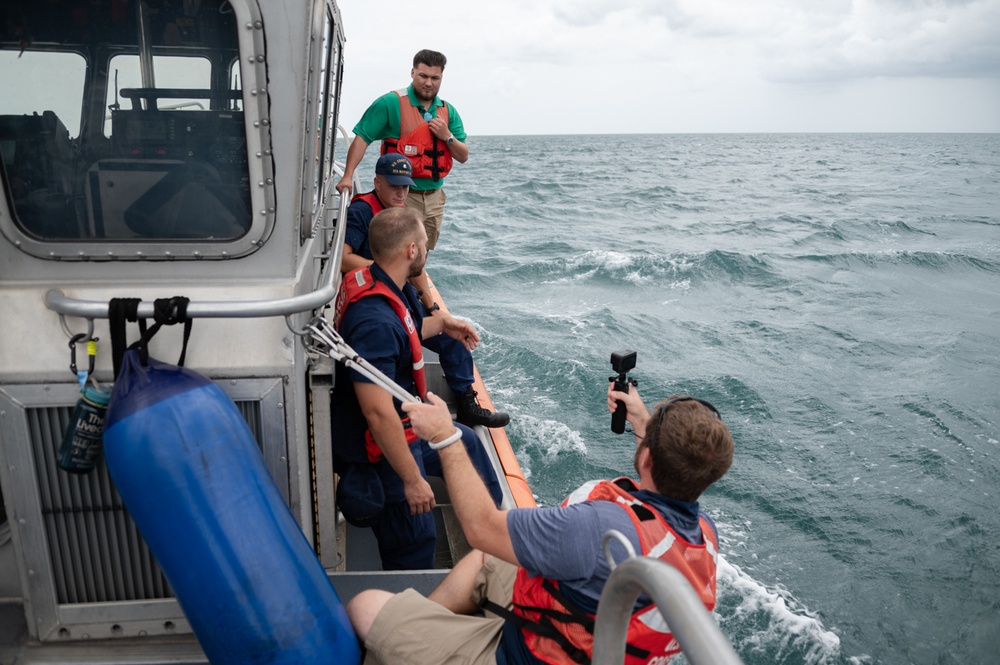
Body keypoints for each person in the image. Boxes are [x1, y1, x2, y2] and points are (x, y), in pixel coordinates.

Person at [346, 381, 735, 664]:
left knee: (364, 607)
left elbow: (482, 527)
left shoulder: (598, 529)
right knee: (490, 558)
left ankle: (423, 644)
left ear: (648, 459)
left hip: (523, 656)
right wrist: (642, 423)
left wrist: (446, 437)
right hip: (581, 633)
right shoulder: (702, 532)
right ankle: (432, 628)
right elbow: (666, 474)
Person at [331, 207, 504, 571]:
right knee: (416, 541)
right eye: (424, 244)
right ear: (411, 250)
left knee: (466, 443)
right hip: (380, 450)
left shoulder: (373, 280)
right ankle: (413, 600)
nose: (427, 250)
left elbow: (403, 334)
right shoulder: (374, 322)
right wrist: (412, 480)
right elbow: (378, 415)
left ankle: (493, 536)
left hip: (402, 423)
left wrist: (442, 324)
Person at [342, 152, 509, 429]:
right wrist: (387, 268)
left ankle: (467, 402)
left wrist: (433, 306)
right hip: (377, 300)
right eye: (394, 185)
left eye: (405, 185)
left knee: (451, 335)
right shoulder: (361, 212)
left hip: (401, 293)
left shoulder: (403, 214)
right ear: (377, 183)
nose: (401, 191)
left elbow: (415, 267)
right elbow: (343, 259)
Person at [335, 49, 467, 252]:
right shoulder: (390, 103)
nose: (428, 83)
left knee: (422, 251)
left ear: (441, 78)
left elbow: (463, 155)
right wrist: (347, 176)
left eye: (435, 78)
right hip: (401, 194)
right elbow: (362, 138)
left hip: (434, 197)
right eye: (423, 76)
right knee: (397, 251)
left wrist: (447, 135)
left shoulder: (448, 111)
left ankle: (416, 281)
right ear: (412, 72)